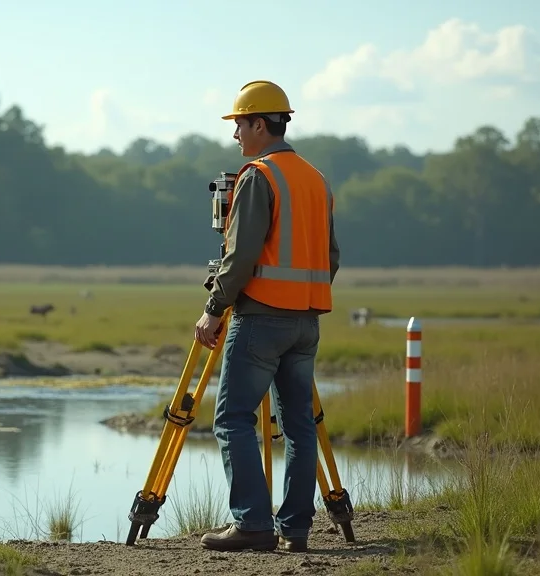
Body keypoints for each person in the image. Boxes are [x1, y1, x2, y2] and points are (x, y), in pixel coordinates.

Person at [194, 80, 341, 553]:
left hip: (260, 319)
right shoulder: (315, 178)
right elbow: (331, 256)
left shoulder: (259, 176)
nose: (235, 134)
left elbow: (240, 258)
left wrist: (214, 308)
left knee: (233, 418)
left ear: (260, 123)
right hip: (307, 321)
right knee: (299, 425)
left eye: (239, 124)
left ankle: (253, 524)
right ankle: (295, 528)